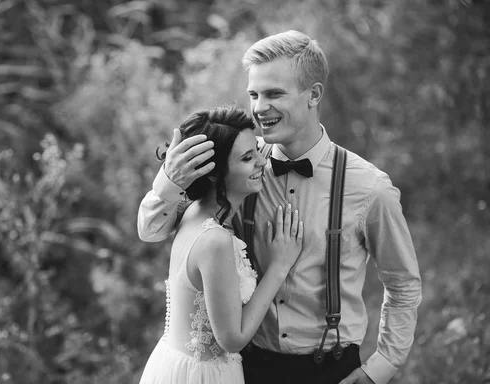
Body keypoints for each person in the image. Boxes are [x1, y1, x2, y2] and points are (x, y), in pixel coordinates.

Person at [137, 30, 422, 384]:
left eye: (274, 94)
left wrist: (380, 368)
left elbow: (403, 285)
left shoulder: (369, 188)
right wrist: (170, 179)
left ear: (313, 95)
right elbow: (151, 230)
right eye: (254, 94)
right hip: (247, 367)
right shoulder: (239, 166)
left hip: (331, 369)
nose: (258, 108)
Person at [139, 106, 305, 384]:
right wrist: (279, 266)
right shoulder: (214, 239)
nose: (262, 163)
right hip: (204, 375)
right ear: (215, 173)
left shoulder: (190, 210)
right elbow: (232, 339)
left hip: (176, 364)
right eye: (247, 158)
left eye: (257, 152)